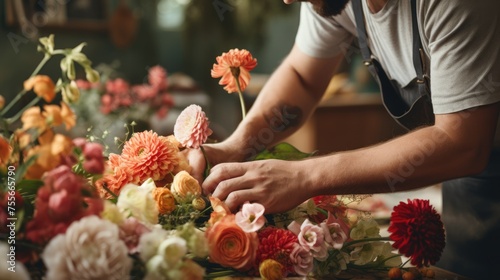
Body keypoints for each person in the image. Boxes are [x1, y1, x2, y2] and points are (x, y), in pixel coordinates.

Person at [187, 0, 500, 278]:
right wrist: (236, 147)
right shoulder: (332, 3)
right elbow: (302, 77)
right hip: (468, 183)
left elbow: (461, 140)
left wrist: (304, 176)